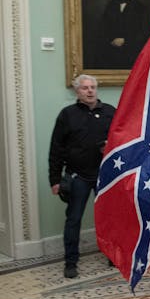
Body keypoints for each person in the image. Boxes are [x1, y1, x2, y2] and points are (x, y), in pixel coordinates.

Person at [49, 75, 115, 278]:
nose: (90, 91)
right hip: (78, 176)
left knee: (109, 217)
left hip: (105, 175)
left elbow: (123, 139)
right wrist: (55, 179)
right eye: (85, 88)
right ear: (77, 91)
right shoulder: (67, 115)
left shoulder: (110, 112)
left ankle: (114, 255)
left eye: (93, 87)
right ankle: (71, 262)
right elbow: (56, 148)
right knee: (73, 219)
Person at [102, 0, 150, 69]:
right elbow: (103, 29)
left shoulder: (140, 7)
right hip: (111, 55)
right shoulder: (110, 5)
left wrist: (126, 41)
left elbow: (144, 32)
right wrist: (111, 41)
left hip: (131, 55)